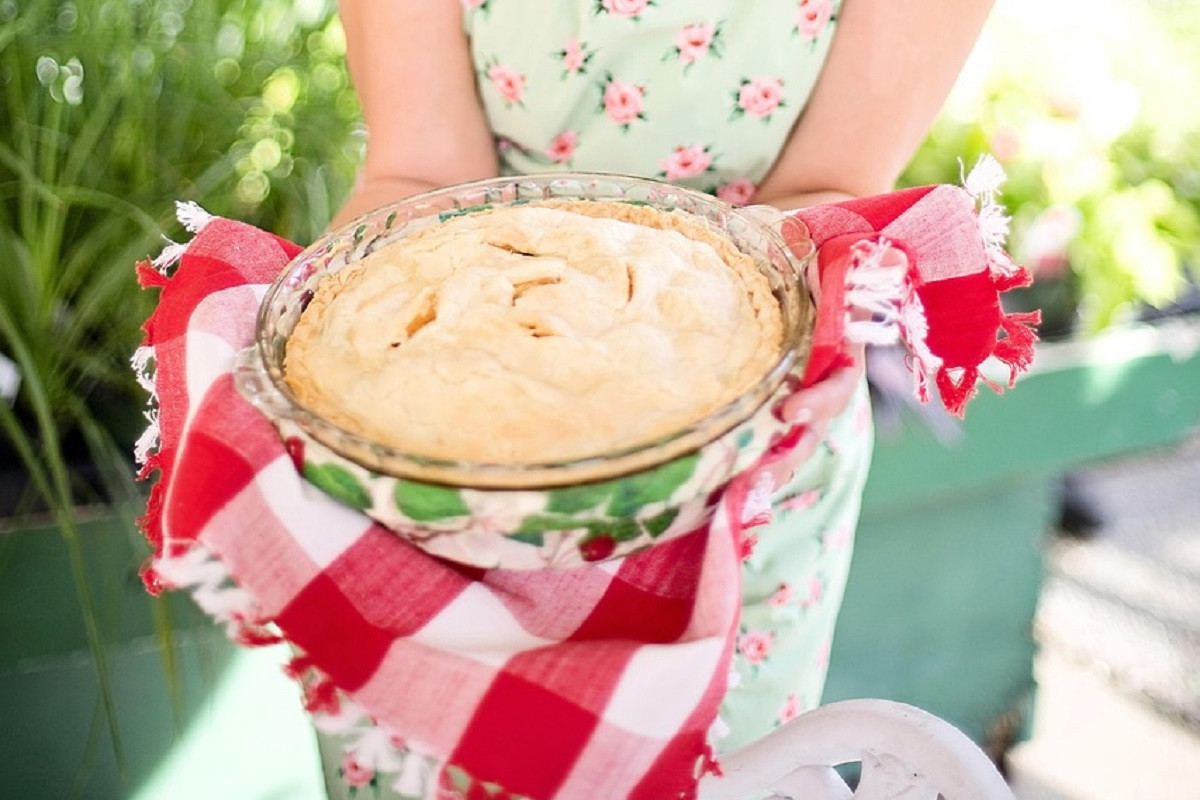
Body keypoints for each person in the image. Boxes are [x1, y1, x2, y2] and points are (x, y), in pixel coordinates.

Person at [332, 0, 994, 755]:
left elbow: (827, 187)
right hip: (450, 458)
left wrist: (811, 325)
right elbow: (423, 176)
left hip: (744, 451)